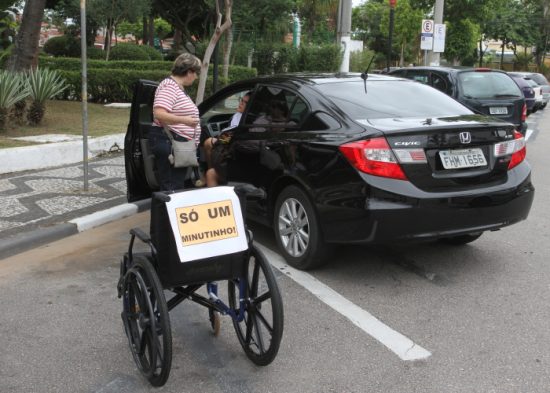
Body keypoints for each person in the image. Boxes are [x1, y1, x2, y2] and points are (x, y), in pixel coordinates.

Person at [149, 52, 201, 191]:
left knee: (174, 185)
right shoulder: (170, 86)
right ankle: (166, 213)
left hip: (175, 143)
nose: (196, 77)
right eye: (196, 73)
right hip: (170, 142)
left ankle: (167, 212)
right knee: (172, 187)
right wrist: (185, 120)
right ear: (189, 71)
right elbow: (159, 113)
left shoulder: (177, 87)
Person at [203, 92, 250, 187]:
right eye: (241, 100)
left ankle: (211, 172)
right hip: (229, 139)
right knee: (209, 142)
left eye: (244, 102)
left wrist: (220, 139)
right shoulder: (238, 115)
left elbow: (232, 134)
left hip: (232, 143)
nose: (240, 103)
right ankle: (211, 171)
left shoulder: (247, 118)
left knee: (208, 142)